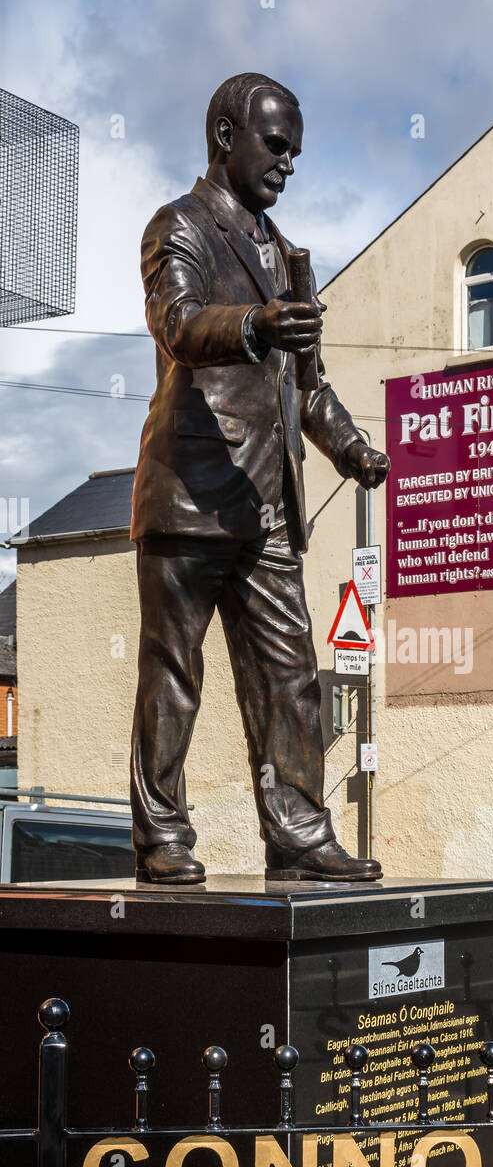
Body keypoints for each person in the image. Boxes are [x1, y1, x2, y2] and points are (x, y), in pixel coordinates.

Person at [130, 73, 389, 885]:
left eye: (296, 153)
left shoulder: (289, 256)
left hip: (267, 507)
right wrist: (254, 323)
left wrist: (351, 449)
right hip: (189, 494)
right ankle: (162, 838)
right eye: (275, 146)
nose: (287, 164)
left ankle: (300, 835)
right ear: (223, 134)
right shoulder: (180, 227)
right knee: (174, 675)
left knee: (290, 677)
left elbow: (305, 385)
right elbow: (176, 325)